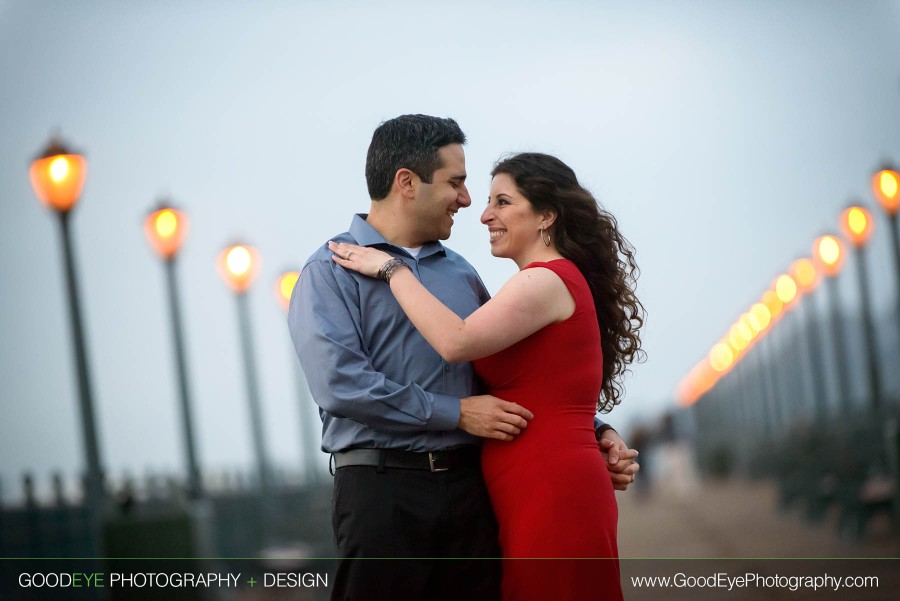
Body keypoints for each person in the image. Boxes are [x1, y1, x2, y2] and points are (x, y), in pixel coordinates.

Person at [289, 115, 639, 601]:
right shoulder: (329, 272)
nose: (468, 201)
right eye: (456, 182)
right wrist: (456, 413)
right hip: (383, 495)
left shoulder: (462, 275)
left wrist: (595, 428)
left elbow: (512, 372)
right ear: (407, 183)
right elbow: (341, 387)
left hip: (472, 494)